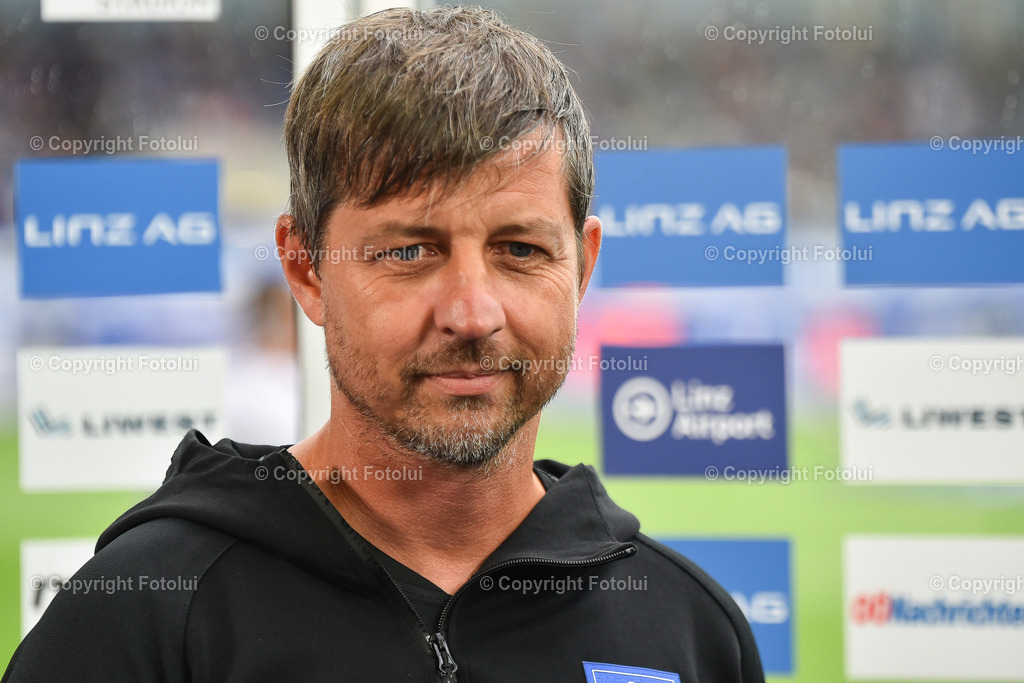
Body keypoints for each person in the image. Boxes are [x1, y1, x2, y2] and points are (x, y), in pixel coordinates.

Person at [3, 6, 764, 682]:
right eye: (409, 251)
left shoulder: (691, 634)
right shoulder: (144, 618)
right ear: (306, 269)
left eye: (520, 250)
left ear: (583, 267)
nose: (472, 314)